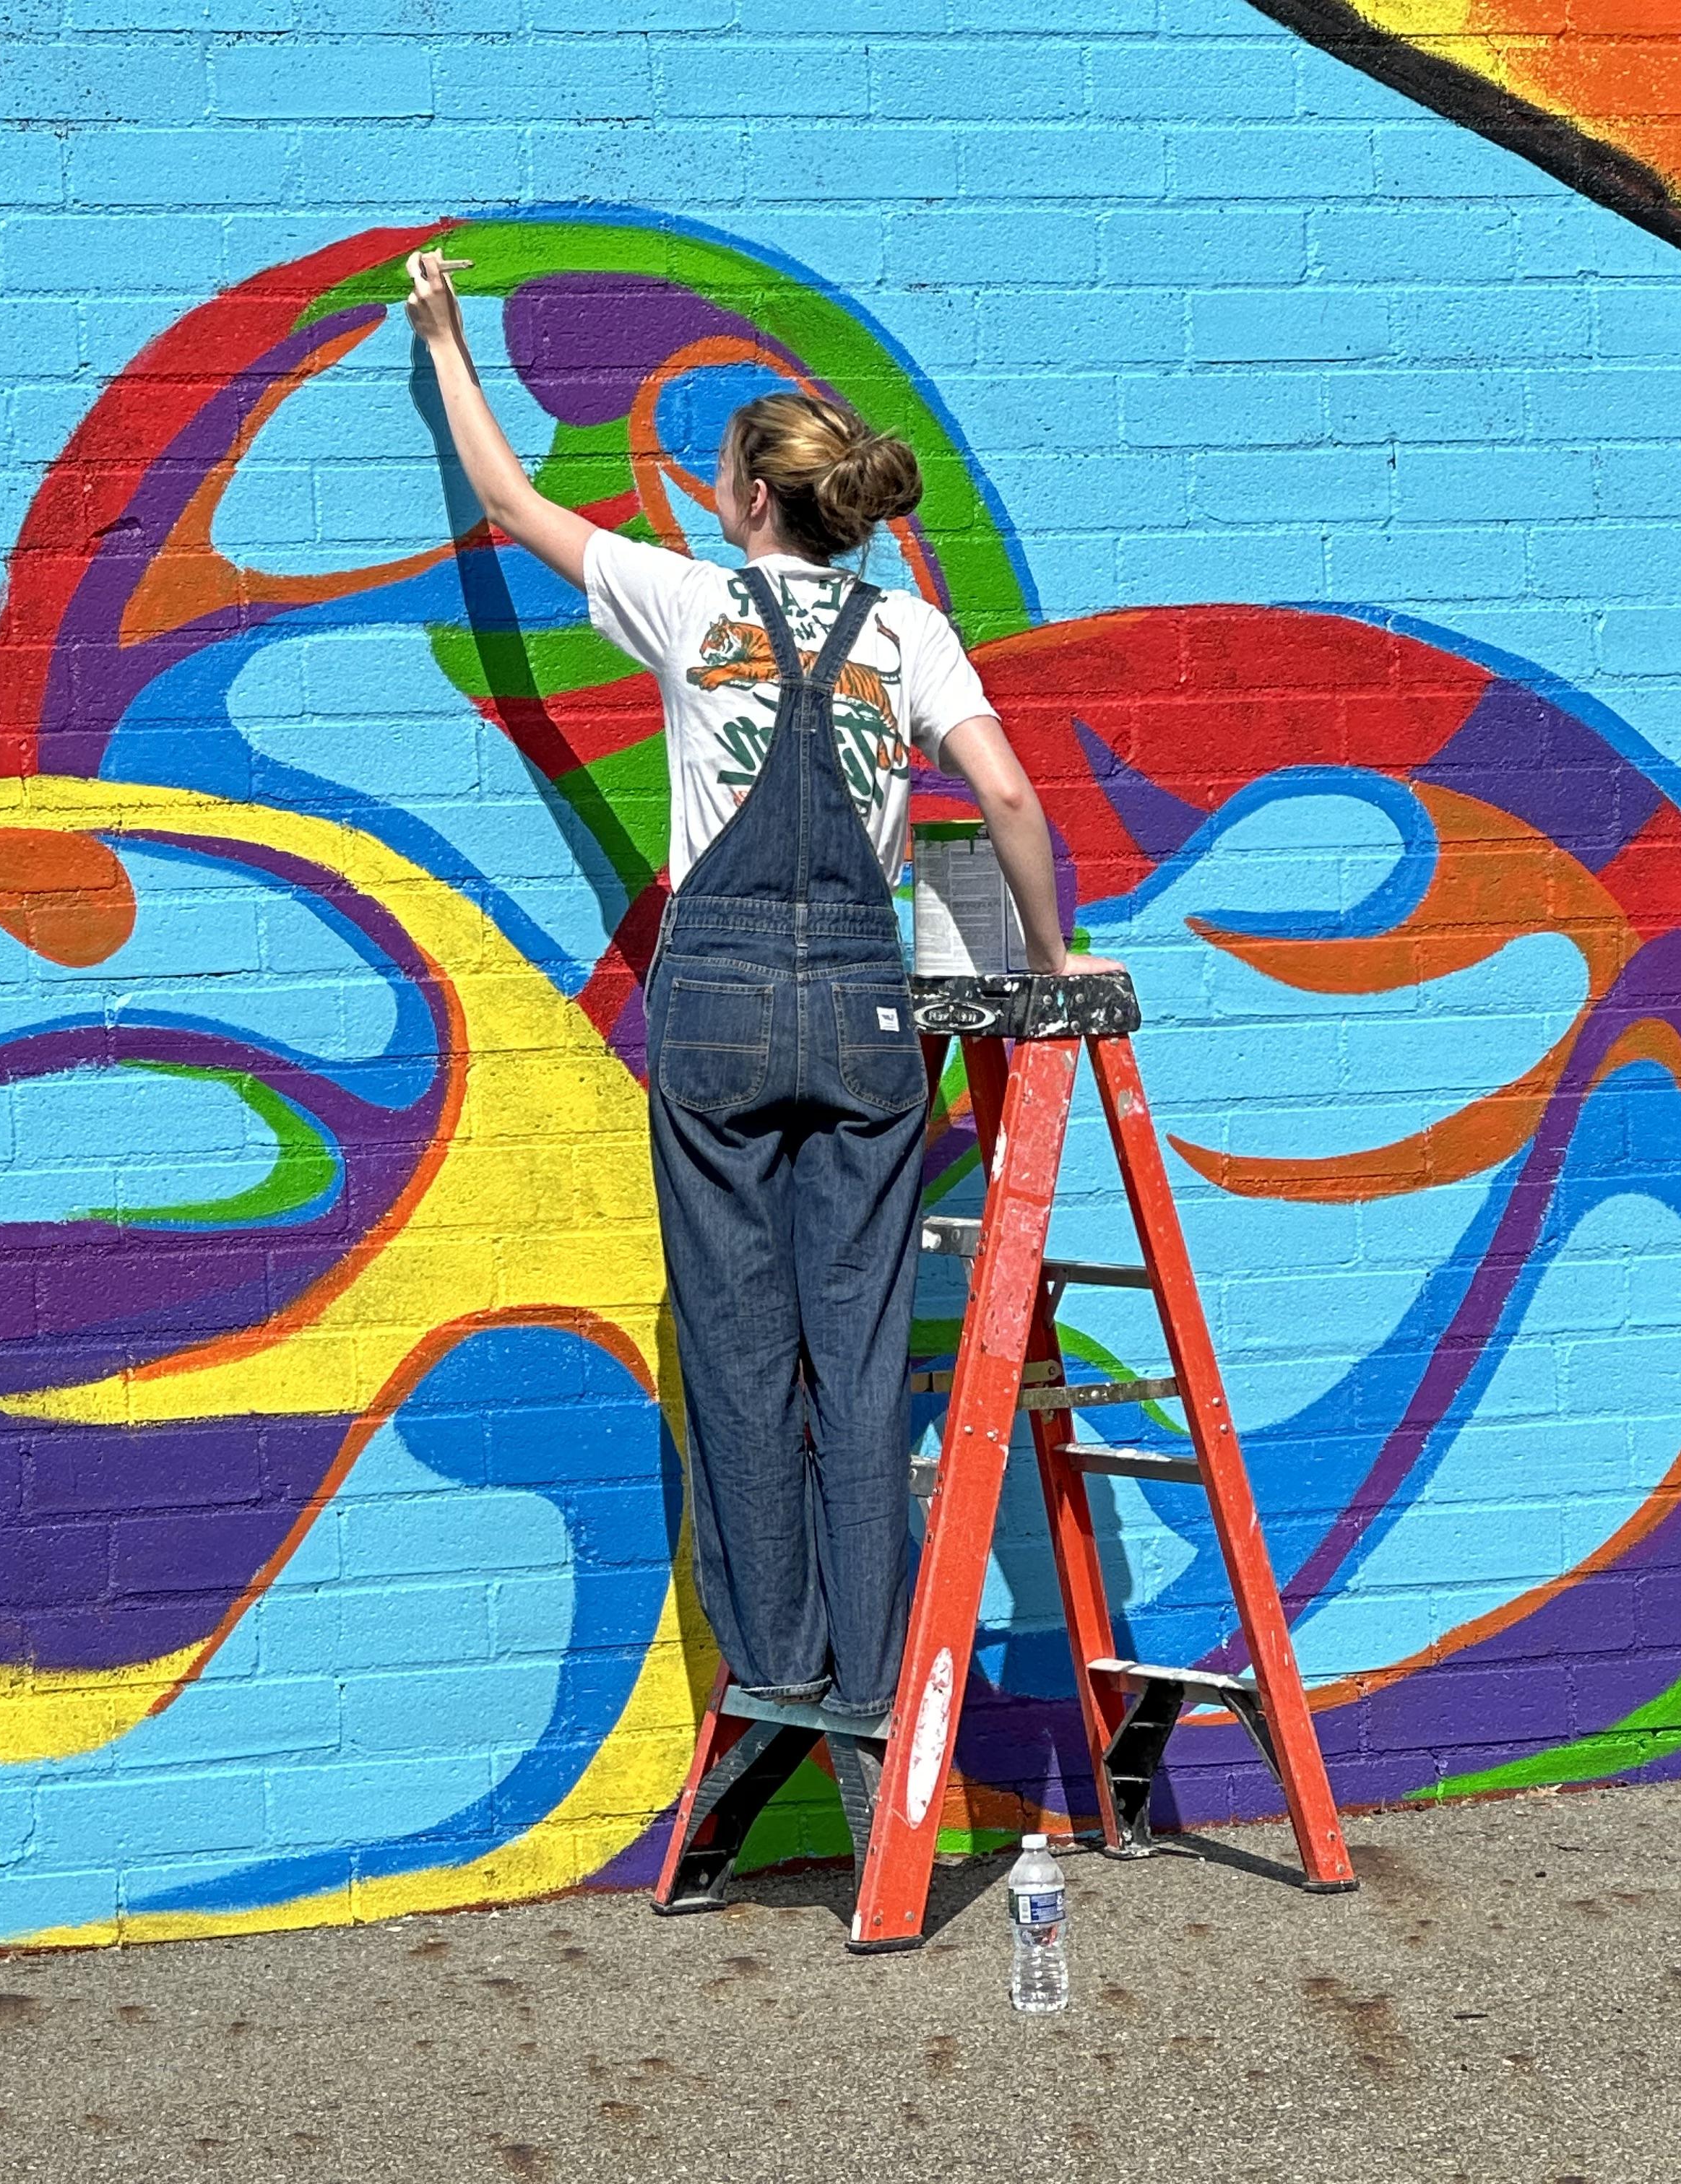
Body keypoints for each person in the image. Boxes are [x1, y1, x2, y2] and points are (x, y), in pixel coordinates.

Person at [401, 248, 1116, 1881]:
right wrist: (1056, 956)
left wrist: (445, 337)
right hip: (869, 1011)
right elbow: (1009, 801)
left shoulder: (685, 595)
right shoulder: (911, 633)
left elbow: (509, 501)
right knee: (859, 1360)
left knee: (736, 1352)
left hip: (718, 1015)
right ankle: (877, 1707)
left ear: (744, 500)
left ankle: (780, 1674)